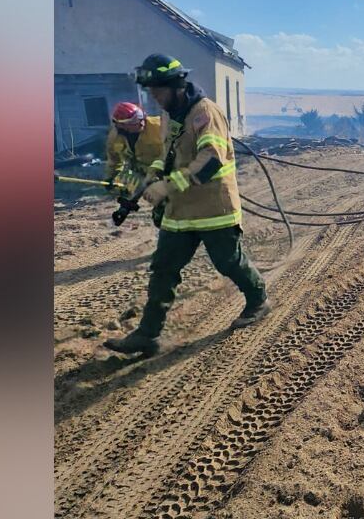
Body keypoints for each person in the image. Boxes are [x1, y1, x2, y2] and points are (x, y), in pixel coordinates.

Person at [104, 53, 269, 356]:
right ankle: (147, 334)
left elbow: (211, 160)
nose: (154, 98)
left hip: (213, 209)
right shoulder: (169, 115)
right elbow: (168, 154)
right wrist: (153, 173)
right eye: (151, 92)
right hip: (179, 213)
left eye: (158, 91)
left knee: (228, 262)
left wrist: (167, 185)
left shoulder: (205, 113)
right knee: (163, 269)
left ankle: (258, 300)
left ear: (176, 86)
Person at [104, 101, 164, 192]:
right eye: (135, 121)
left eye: (141, 118)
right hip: (139, 172)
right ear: (121, 125)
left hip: (164, 170)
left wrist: (155, 171)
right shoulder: (114, 138)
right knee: (125, 186)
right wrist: (110, 178)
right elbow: (113, 160)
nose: (141, 123)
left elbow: (175, 149)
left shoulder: (159, 126)